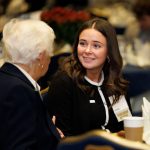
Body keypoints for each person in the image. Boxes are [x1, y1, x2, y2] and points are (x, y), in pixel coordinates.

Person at [45, 17, 132, 136]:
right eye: (82, 43)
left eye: (96, 46)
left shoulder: (115, 81)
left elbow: (126, 125)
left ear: (109, 51)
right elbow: (62, 137)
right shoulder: (64, 83)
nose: (87, 50)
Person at [0, 18, 63, 150]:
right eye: (50, 52)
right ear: (41, 56)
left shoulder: (7, 77)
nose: (50, 58)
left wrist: (47, 131)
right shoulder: (18, 91)